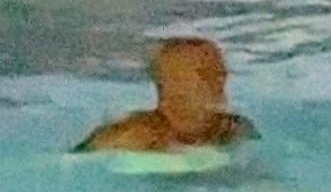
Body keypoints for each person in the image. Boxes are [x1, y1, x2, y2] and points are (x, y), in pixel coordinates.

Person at [75, 37, 257, 155]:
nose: (219, 79)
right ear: (172, 86)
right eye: (204, 73)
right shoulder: (130, 137)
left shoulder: (233, 130)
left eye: (220, 70)